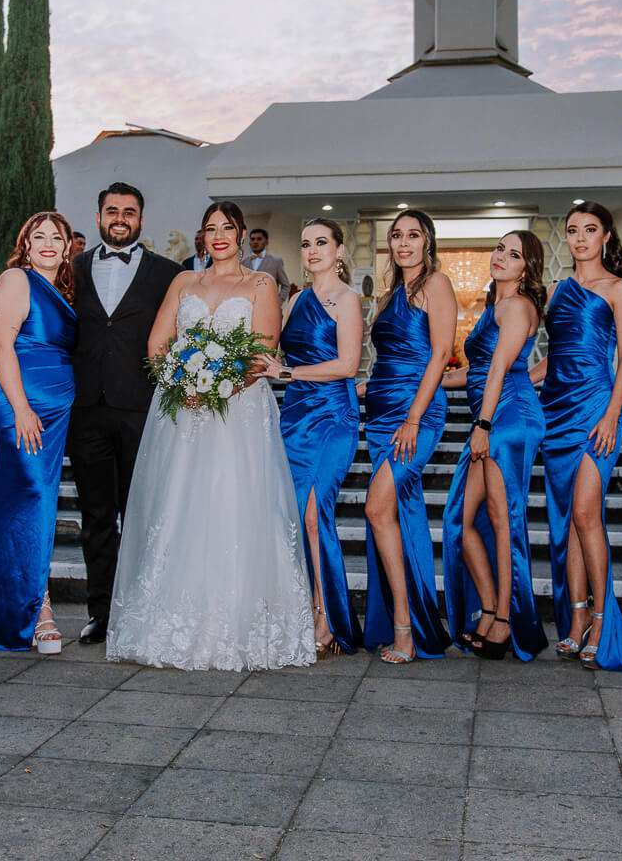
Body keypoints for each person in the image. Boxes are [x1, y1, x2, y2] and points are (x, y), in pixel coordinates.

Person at [107, 201, 315, 671]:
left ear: (242, 234)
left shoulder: (262, 284)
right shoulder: (183, 282)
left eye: (227, 227)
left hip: (238, 414)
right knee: (181, 505)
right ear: (202, 237)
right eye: (210, 228)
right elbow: (157, 345)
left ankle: (240, 622)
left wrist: (217, 384)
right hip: (181, 414)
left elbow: (262, 353)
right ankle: (171, 618)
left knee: (236, 506)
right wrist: (182, 383)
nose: (218, 235)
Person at [530, 205, 622, 671]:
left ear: (606, 236)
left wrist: (614, 414)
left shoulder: (618, 288)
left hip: (596, 410)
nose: (580, 238)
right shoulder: (556, 292)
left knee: (588, 513)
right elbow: (552, 358)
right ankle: (574, 624)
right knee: (568, 518)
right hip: (554, 410)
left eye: (590, 230)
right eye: (572, 230)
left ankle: (602, 619)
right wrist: (513, 380)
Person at [0, 211, 78, 653]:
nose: (48, 243)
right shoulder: (15, 279)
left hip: (52, 409)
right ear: (25, 245)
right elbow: (1, 343)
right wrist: (22, 408)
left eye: (56, 237)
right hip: (17, 401)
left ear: (67, 246)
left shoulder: (63, 289)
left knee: (15, 499)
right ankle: (36, 606)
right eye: (38, 236)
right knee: (33, 497)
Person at [67, 183, 181, 644]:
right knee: (96, 515)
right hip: (86, 409)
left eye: (128, 212)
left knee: (143, 512)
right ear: (98, 217)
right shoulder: (69, 269)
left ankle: (144, 608)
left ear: (140, 218)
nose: (120, 218)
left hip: (143, 410)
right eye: (111, 211)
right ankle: (102, 612)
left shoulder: (168, 273)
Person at [257, 219, 363, 656]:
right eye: (306, 244)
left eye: (322, 243)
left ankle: (328, 619)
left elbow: (347, 366)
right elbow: (275, 352)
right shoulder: (297, 298)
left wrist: (287, 372)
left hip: (333, 415)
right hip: (296, 415)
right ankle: (306, 610)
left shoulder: (348, 300)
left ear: (339, 250)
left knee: (315, 515)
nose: (313, 250)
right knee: (295, 516)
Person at [440, 231, 548, 661]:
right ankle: (489, 607)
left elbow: (501, 369)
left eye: (514, 254)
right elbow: (475, 371)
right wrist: (428, 384)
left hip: (509, 418)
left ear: (527, 267)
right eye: (500, 249)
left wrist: (483, 424)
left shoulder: (519, 306)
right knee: (461, 519)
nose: (502, 257)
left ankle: (505, 619)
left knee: (503, 519)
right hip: (490, 417)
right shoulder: (494, 307)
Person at [357, 210, 457, 662]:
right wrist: (359, 387)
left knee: (377, 508)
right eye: (396, 236)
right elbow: (385, 361)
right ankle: (416, 621)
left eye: (412, 235)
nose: (403, 244)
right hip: (380, 414)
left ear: (427, 242)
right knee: (399, 516)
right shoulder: (387, 296)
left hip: (416, 414)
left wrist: (414, 418)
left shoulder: (437, 284)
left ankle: (404, 629)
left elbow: (440, 355)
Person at [247, 228, 295, 303]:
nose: (255, 242)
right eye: (252, 239)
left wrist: (277, 303)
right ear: (249, 242)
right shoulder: (243, 263)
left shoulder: (276, 262)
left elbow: (286, 286)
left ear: (266, 242)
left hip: (269, 306)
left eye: (259, 239)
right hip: (247, 307)